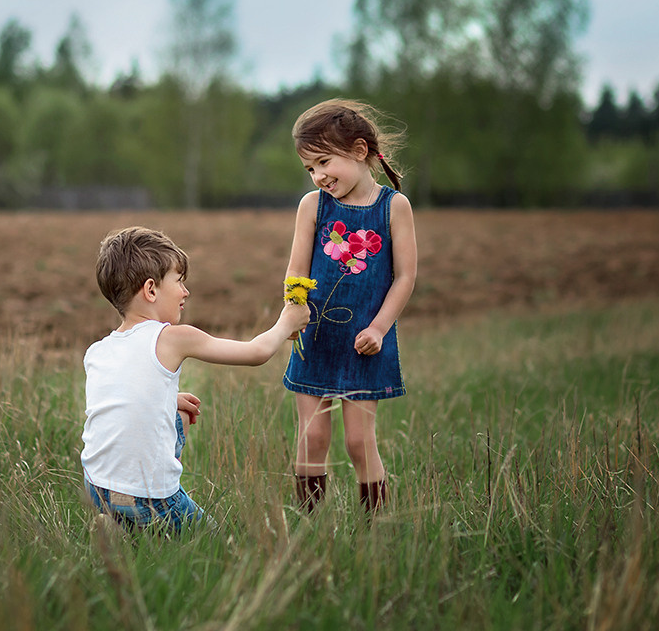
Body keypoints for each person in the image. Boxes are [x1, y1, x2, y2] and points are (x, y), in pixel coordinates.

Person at [82, 226, 310, 533]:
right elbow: (256, 352)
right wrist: (287, 322)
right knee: (215, 541)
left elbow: (119, 401)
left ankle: (118, 526)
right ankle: (135, 523)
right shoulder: (174, 338)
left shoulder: (98, 351)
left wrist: (167, 398)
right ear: (151, 290)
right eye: (178, 282)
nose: (185, 292)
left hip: (96, 487)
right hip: (148, 496)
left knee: (179, 414)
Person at [282, 99, 418, 514]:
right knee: (312, 437)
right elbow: (295, 274)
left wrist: (378, 328)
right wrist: (292, 312)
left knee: (359, 442)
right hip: (316, 338)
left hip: (366, 343)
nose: (319, 176)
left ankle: (373, 529)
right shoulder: (313, 206)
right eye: (310, 169)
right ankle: (309, 526)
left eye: (324, 162)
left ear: (359, 151)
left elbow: (404, 277)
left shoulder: (393, 207)